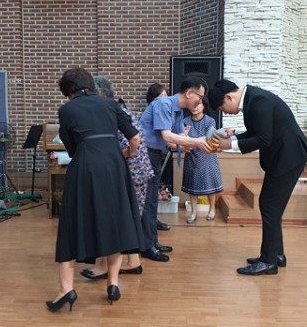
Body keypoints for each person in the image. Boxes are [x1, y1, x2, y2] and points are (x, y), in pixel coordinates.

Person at [46, 68, 146, 312]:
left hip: (85, 165)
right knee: (115, 220)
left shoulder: (67, 110)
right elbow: (135, 138)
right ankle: (113, 284)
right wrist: (126, 154)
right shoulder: (111, 104)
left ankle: (66, 290)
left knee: (72, 224)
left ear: (68, 90)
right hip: (114, 166)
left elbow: (71, 148)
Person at [208, 79, 307, 276]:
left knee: (269, 206)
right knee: (271, 206)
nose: (224, 112)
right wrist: (231, 140)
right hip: (285, 156)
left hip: (288, 157)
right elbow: (255, 133)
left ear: (228, 97)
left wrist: (230, 145)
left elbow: (264, 139)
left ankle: (268, 262)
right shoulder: (253, 98)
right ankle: (276, 254)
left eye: (222, 108)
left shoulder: (258, 101)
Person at [80, 76, 154, 279]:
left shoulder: (109, 113)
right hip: (138, 171)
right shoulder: (119, 109)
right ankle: (133, 262)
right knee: (129, 218)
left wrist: (126, 153)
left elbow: (133, 140)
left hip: (130, 172)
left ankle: (106, 266)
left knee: (113, 218)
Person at [140, 76, 213, 261]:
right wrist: (196, 142)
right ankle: (147, 246)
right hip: (144, 155)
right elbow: (167, 136)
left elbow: (180, 136)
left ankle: (152, 242)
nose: (200, 101)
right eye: (200, 96)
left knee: (152, 201)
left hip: (154, 154)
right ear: (189, 93)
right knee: (148, 201)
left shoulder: (178, 110)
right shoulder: (163, 104)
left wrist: (194, 144)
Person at [182, 97, 223, 223]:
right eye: (193, 104)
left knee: (209, 184)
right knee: (192, 184)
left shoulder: (210, 121)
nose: (195, 107)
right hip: (191, 157)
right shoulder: (185, 121)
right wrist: (190, 142)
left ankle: (212, 209)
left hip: (207, 156)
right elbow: (183, 138)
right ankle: (193, 212)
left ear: (204, 106)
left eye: (198, 104)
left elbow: (209, 139)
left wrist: (191, 141)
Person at [145, 83, 173, 232]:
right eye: (161, 97)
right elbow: (167, 137)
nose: (165, 100)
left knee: (153, 192)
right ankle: (149, 226)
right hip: (148, 155)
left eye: (166, 96)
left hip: (156, 153)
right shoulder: (154, 111)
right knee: (149, 193)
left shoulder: (163, 110)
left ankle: (152, 221)